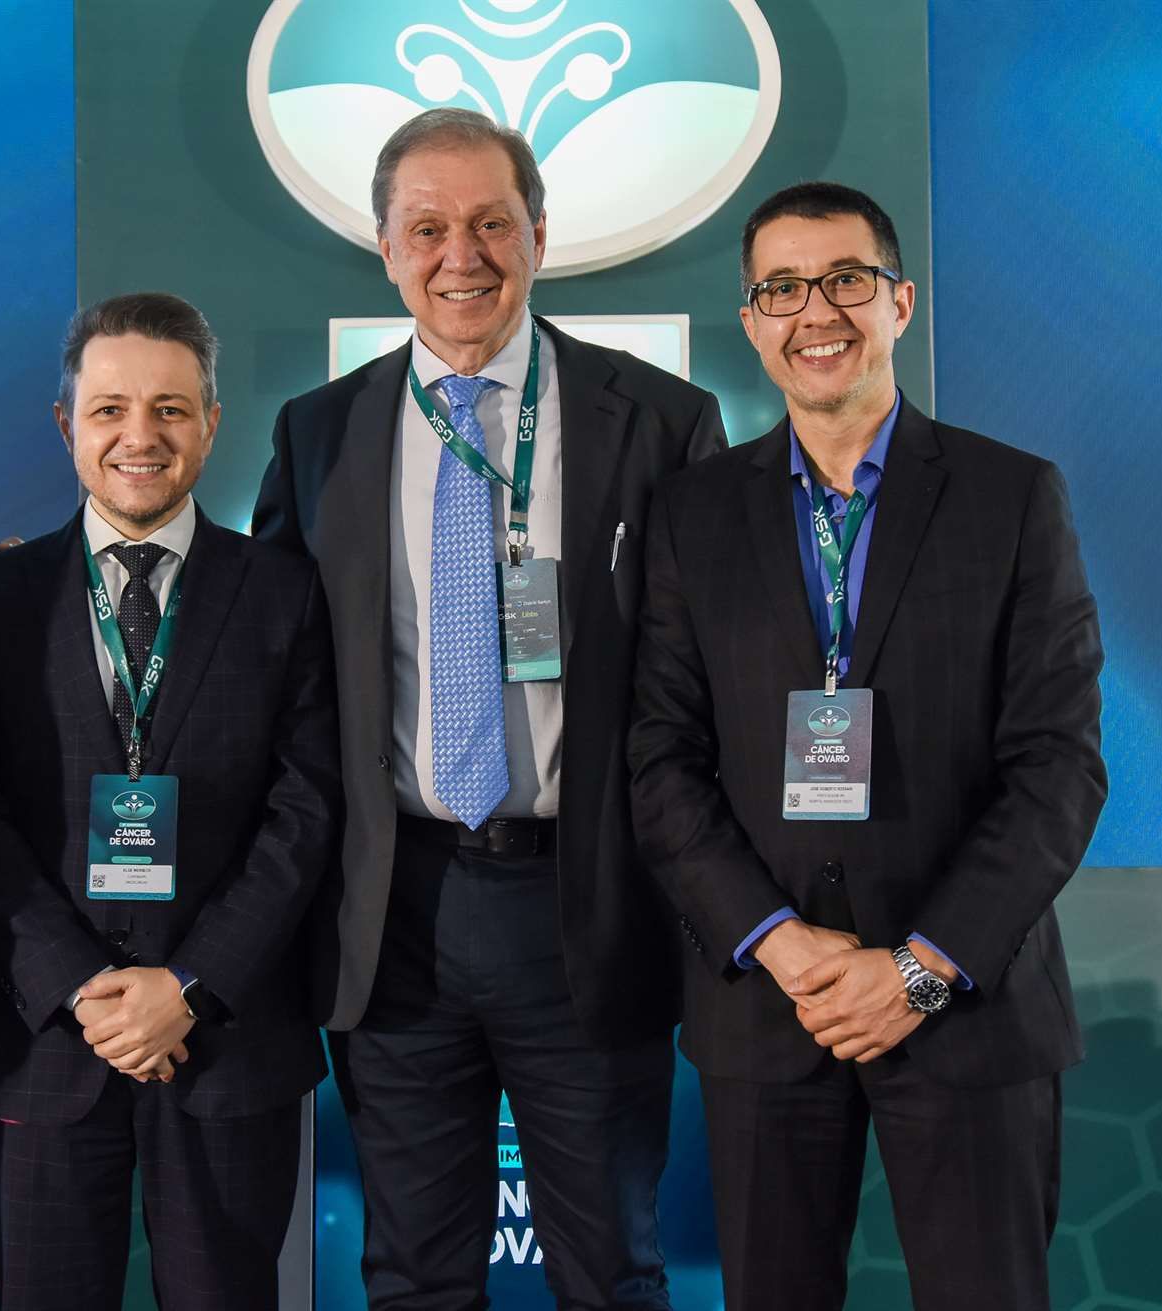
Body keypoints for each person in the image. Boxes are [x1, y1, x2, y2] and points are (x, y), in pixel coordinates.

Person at [252, 108, 726, 1310]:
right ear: (384, 249)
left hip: (586, 905)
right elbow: (265, 666)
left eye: (491, 224)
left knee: (612, 1271)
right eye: (426, 228)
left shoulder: (660, 421)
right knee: (413, 1275)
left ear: (539, 235)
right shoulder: (318, 434)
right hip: (393, 913)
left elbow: (708, 677)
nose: (460, 255)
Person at [628, 181, 1106, 1310]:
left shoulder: (1011, 496)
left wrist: (921, 969)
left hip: (969, 1006)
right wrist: (783, 945)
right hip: (770, 1006)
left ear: (899, 301)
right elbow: (662, 760)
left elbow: (1059, 768)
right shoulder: (693, 512)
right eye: (783, 289)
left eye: (845, 280)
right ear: (752, 323)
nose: (816, 312)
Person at [0, 292, 339, 1310]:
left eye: (170, 409)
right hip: (46, 1038)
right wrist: (80, 985)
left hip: (229, 1041)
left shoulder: (286, 594)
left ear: (211, 422)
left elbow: (305, 812)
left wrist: (191, 983)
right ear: (66, 425)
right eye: (110, 409)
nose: (141, 435)